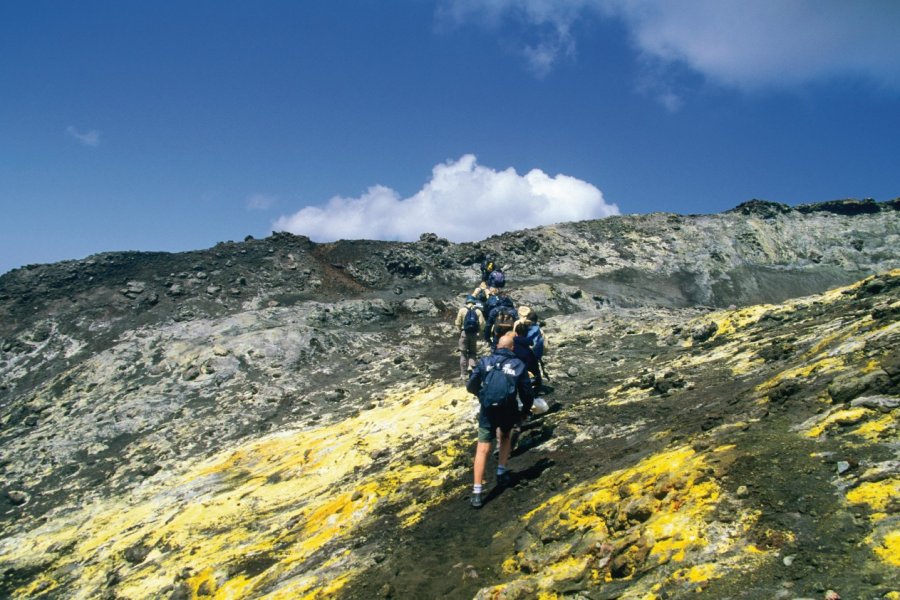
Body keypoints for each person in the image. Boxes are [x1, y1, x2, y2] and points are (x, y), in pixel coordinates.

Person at [466, 333, 534, 509]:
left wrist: (482, 396)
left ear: (497, 346)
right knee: (504, 437)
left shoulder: (484, 362)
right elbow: (527, 392)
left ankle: (477, 491)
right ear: (512, 348)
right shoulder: (518, 365)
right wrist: (525, 411)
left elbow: (471, 385)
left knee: (482, 449)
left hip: (487, 410)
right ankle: (501, 471)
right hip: (507, 409)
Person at [454, 295, 485, 380]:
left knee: (463, 354)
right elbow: (482, 324)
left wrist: (460, 331)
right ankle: (472, 369)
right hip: (474, 334)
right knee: (472, 352)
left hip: (464, 333)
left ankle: (463, 374)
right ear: (474, 302)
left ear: (467, 302)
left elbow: (457, 323)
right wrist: (479, 332)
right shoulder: (478, 311)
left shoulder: (462, 310)